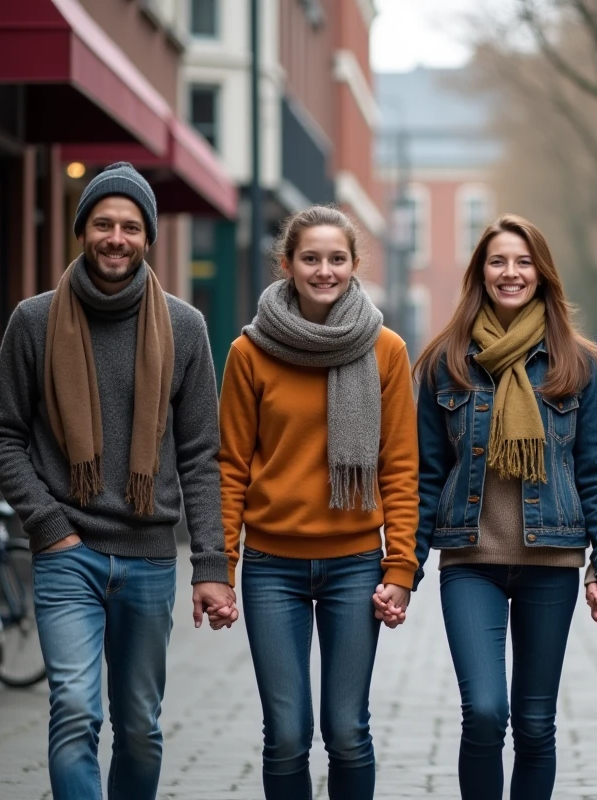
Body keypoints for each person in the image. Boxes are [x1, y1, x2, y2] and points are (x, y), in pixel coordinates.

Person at [0, 162, 236, 800]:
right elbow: (0, 434)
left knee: (140, 727)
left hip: (150, 559)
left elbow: (203, 453)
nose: (115, 237)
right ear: (82, 231)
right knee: (74, 709)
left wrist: (210, 565)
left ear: (148, 237)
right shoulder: (34, 322)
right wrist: (49, 524)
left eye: (129, 225)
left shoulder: (186, 327)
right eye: (102, 223)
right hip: (68, 553)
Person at [412, 213, 597, 800]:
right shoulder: (446, 361)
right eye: (498, 261)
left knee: (535, 725)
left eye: (523, 261)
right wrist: (401, 568)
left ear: (542, 273)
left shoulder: (578, 365)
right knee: (484, 712)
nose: (511, 272)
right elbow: (427, 473)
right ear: (480, 273)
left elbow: (596, 472)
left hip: (551, 559)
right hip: (469, 559)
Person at [217, 205, 418, 799]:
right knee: (285, 733)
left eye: (336, 259)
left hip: (357, 564)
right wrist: (218, 568)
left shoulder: (386, 350)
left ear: (355, 266)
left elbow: (400, 468)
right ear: (287, 265)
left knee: (347, 729)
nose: (323, 270)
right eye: (310, 258)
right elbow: (228, 466)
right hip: (270, 567)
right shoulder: (249, 353)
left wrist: (400, 568)